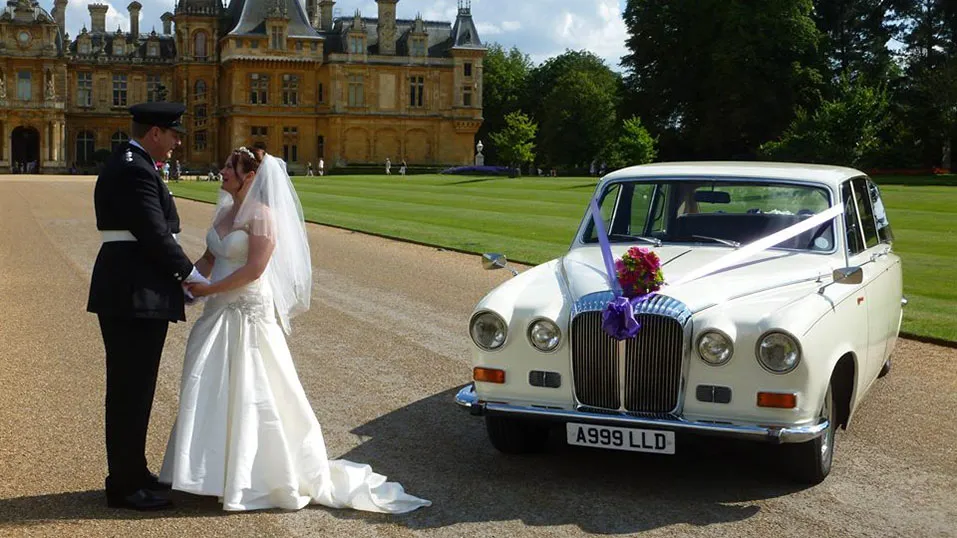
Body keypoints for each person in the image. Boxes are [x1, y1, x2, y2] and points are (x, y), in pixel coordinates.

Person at [159, 147, 431, 513]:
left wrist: (208, 289)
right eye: (224, 165)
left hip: (247, 309)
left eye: (229, 167)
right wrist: (189, 281)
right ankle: (210, 473)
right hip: (217, 311)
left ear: (249, 177)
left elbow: (254, 269)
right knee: (209, 384)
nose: (221, 170)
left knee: (255, 388)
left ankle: (256, 476)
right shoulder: (225, 211)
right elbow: (210, 258)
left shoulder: (263, 216)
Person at [87, 102, 208, 511]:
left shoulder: (130, 162)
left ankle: (133, 472)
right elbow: (155, 234)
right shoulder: (136, 168)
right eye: (174, 135)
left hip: (131, 288)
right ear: (155, 132)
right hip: (133, 291)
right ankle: (123, 485)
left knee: (136, 389)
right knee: (129, 391)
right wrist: (191, 277)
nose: (176, 143)